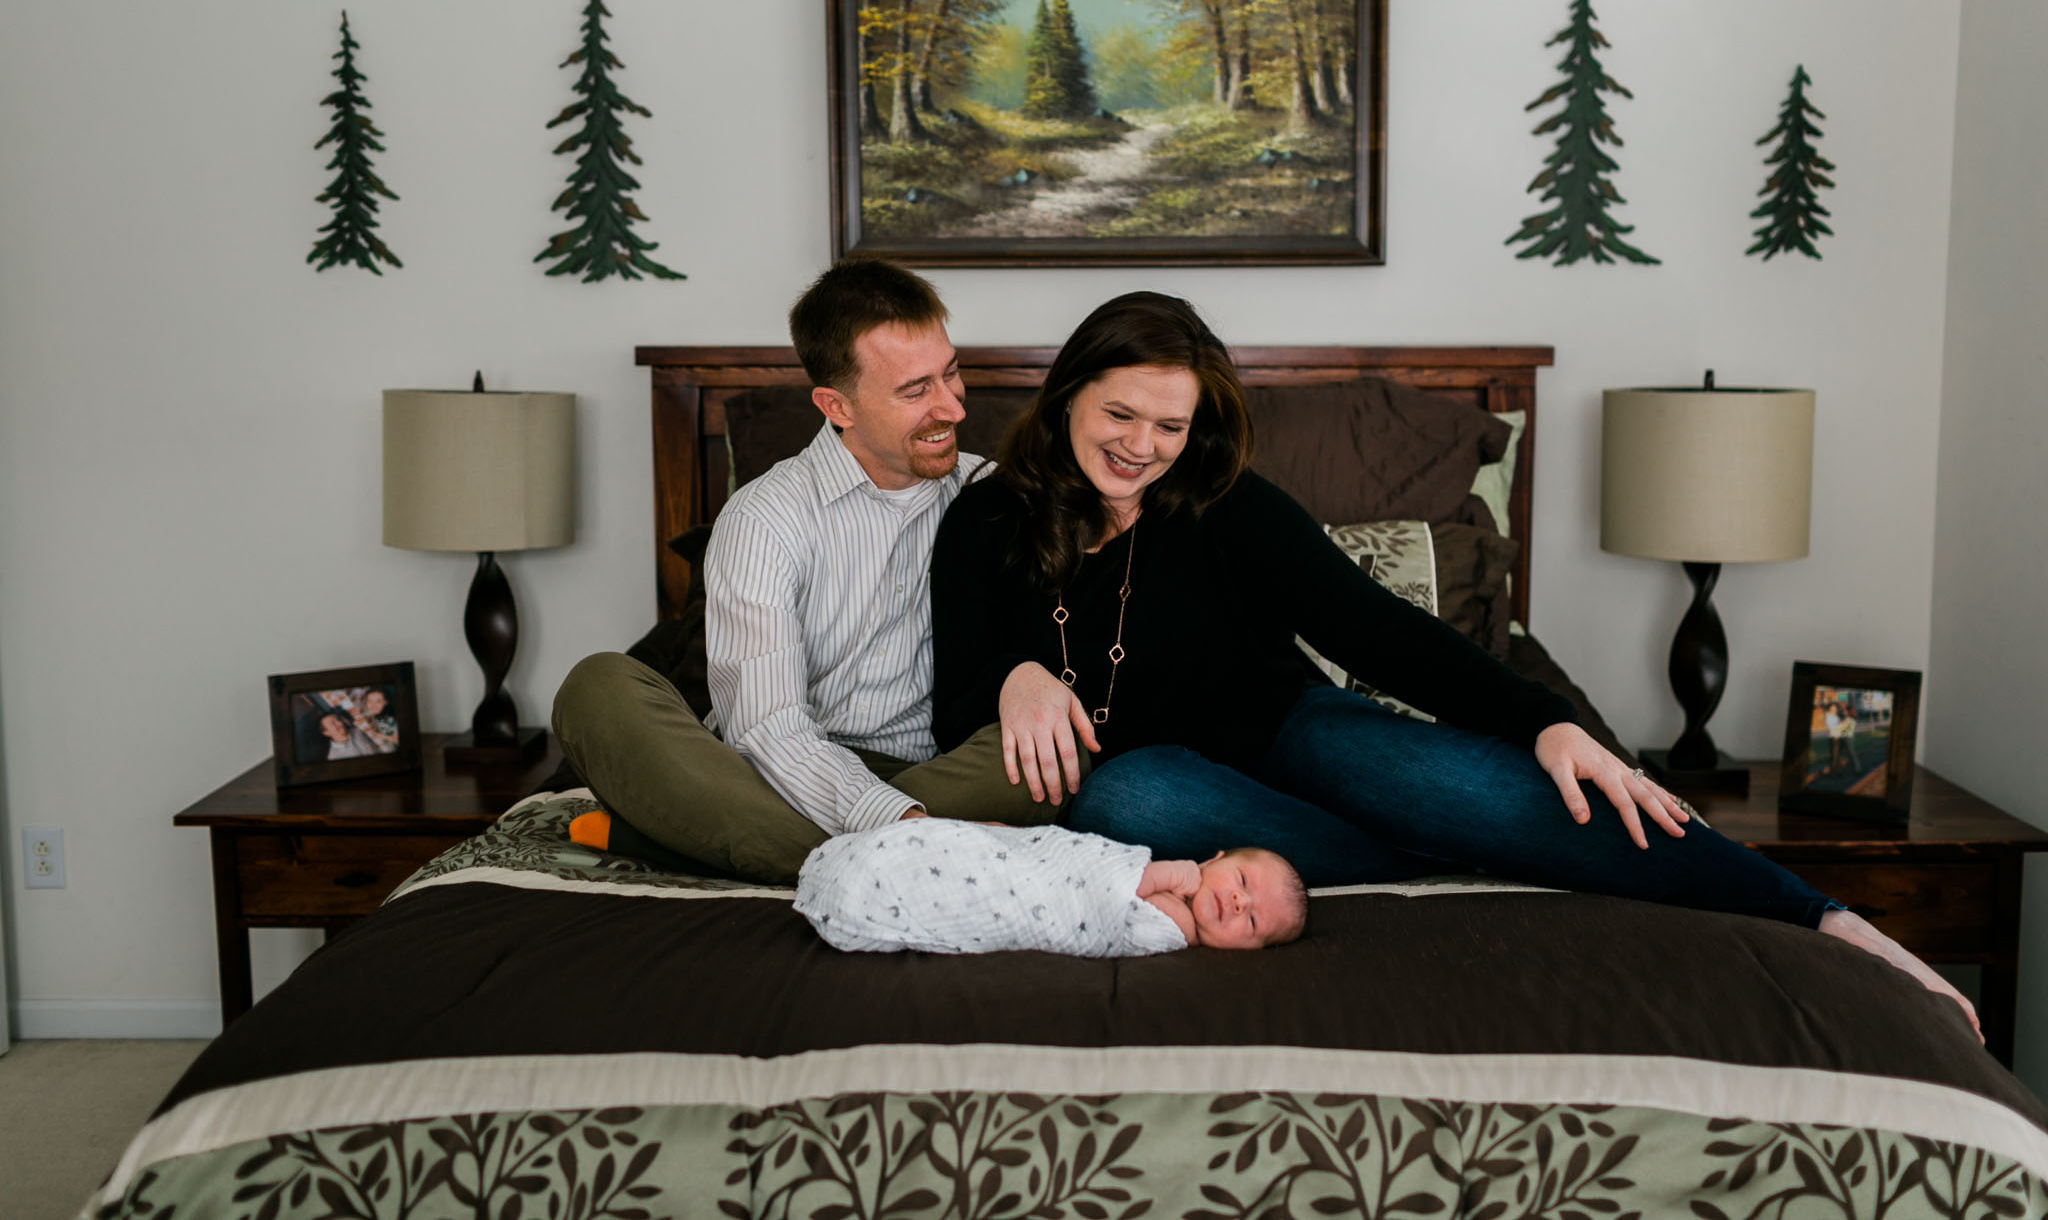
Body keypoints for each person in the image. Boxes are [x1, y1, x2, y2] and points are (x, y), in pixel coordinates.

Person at [927, 291, 1980, 1035]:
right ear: (1065, 394)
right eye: (1118, 414)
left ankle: (1818, 916)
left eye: (1169, 423)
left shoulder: (1221, 501)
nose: (1141, 446)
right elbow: (954, 725)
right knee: (1124, 789)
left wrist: (1542, 721)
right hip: (1165, 776)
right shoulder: (982, 521)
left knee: (1463, 777)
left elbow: (1378, 631)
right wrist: (1021, 671)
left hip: (1294, 732)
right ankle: (1451, 846)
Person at [552, 259, 1065, 885]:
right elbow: (767, 727)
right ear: (836, 405)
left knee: (1056, 759)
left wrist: (1027, 675)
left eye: (950, 373)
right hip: (773, 775)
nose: (952, 408)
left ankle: (685, 839)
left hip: (940, 775)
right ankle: (923, 849)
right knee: (596, 688)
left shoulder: (995, 494)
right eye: (914, 391)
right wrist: (900, 825)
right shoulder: (764, 519)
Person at [795, 817, 1306, 955]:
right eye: (1242, 880)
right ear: (1215, 857)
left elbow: (1118, 897)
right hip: (1036, 866)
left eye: (1253, 921)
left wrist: (1172, 876)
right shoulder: (1169, 876)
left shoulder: (1178, 930)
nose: (1239, 902)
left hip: (1037, 901)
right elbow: (1083, 860)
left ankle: (872, 883)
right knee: (983, 849)